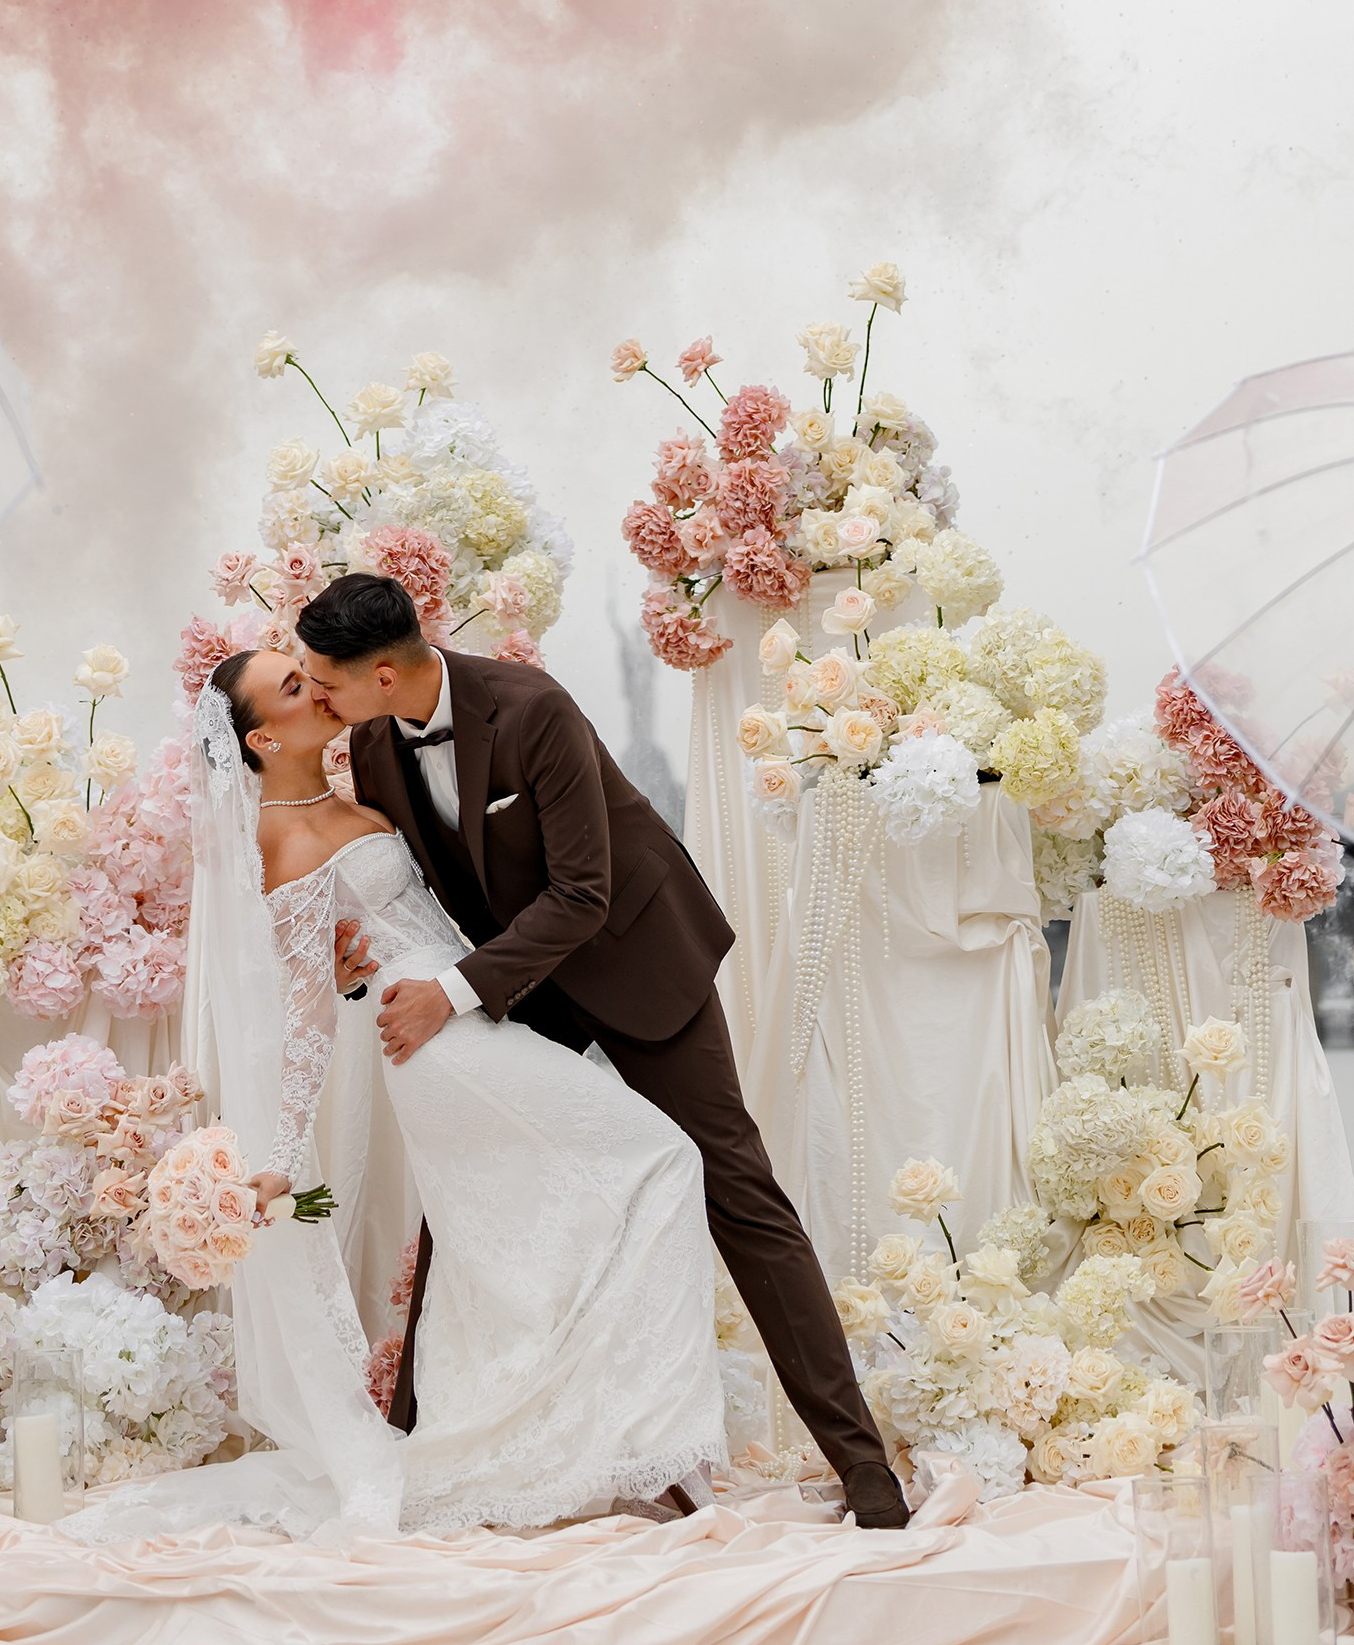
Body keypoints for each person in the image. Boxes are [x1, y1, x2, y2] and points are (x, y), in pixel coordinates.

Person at [293, 572, 909, 1528]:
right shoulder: (371, 748)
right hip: (520, 983)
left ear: (381, 672)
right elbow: (419, 892)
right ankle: (410, 1460)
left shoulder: (532, 708)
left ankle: (868, 1474)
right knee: (466, 1198)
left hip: (634, 962)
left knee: (737, 1192)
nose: (314, 698)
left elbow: (583, 891)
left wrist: (451, 996)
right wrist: (363, 958)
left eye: (322, 682)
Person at [85, 642, 725, 1542]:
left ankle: (600, 1447)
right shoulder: (281, 837)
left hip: (463, 1017)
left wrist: (362, 971)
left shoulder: (352, 789)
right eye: (294, 687)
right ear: (264, 739)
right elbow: (305, 1015)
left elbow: (368, 942)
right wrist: (274, 1156)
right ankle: (635, 1442)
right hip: (439, 1048)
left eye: (306, 670)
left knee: (510, 1250)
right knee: (658, 1160)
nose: (316, 687)